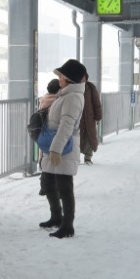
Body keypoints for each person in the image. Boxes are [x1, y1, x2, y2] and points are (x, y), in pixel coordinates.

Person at [38, 59, 86, 239]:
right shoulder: (65, 94)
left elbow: (66, 125)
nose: (59, 79)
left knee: (65, 187)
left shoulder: (72, 97)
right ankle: (56, 216)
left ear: (70, 79)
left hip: (63, 148)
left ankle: (68, 225)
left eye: (62, 76)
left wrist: (56, 149)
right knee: (49, 183)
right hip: (55, 145)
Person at [37, 78, 61, 197]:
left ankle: (43, 187)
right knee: (56, 161)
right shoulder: (57, 101)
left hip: (43, 133)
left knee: (45, 158)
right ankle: (54, 188)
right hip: (53, 132)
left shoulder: (43, 100)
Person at [79, 71, 103, 165]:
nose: (82, 78)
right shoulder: (74, 87)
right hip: (78, 117)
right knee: (78, 137)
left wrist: (98, 116)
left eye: (83, 77)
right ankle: (76, 157)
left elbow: (96, 103)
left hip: (89, 117)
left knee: (90, 136)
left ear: (86, 77)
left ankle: (88, 157)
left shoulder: (90, 87)